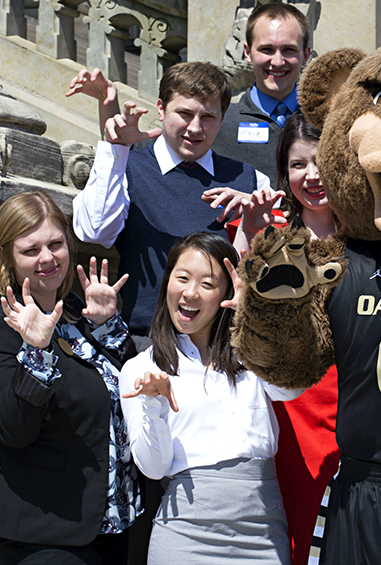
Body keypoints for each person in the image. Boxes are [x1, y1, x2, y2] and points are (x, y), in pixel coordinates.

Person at [0, 191, 137, 565]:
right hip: (43, 537)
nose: (47, 258)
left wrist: (109, 325)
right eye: (30, 250)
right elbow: (13, 430)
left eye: (56, 244)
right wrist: (37, 354)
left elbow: (131, 395)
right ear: (5, 257)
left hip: (112, 530)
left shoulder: (81, 314)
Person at [119, 232, 300, 564]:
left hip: (262, 525)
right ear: (166, 283)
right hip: (186, 530)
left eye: (207, 284)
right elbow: (154, 467)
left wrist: (256, 319)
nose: (190, 293)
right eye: (183, 278)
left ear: (225, 294)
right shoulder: (141, 368)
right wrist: (153, 404)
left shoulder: (248, 352)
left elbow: (290, 389)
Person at [72, 61, 270, 340]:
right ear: (161, 109)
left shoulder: (249, 180)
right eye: (185, 113)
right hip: (144, 341)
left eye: (208, 117)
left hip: (222, 344)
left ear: (223, 118)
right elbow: (94, 230)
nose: (195, 128)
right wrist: (115, 150)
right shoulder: (127, 167)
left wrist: (255, 219)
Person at [232, 111, 341, 564]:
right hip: (285, 404)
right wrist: (247, 232)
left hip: (352, 399)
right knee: (294, 527)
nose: (311, 176)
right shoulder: (272, 236)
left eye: (321, 162)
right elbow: (233, 296)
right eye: (298, 165)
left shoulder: (369, 238)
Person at [214, 2, 314, 178]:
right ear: (247, 52)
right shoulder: (218, 124)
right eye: (266, 49)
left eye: (288, 50)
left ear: (305, 55)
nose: (277, 61)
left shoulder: (325, 123)